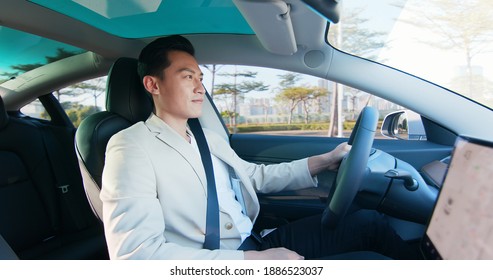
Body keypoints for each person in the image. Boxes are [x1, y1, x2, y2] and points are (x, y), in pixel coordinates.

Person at [101, 35, 420, 260]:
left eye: (200, 77)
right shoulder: (131, 147)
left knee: (368, 222)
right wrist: (254, 264)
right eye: (188, 78)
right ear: (153, 85)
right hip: (223, 262)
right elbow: (136, 255)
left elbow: (253, 177)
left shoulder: (205, 138)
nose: (201, 88)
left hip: (256, 240)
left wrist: (325, 160)